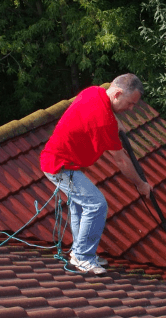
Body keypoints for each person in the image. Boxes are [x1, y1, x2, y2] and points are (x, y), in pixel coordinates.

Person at [40, 73, 152, 275]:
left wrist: (116, 121)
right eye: (130, 103)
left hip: (62, 161)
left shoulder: (94, 91)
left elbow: (105, 113)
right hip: (59, 166)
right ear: (117, 93)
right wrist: (141, 184)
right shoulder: (104, 122)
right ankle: (83, 257)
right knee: (96, 204)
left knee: (80, 205)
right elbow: (121, 161)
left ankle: (79, 252)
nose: (131, 109)